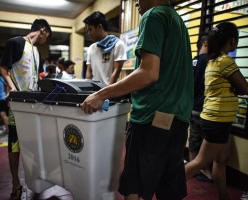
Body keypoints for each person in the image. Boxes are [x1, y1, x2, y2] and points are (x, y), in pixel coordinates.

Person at [81, 0, 193, 199]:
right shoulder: (177, 21)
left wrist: (101, 94)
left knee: (134, 188)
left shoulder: (153, 16)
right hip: (178, 119)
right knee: (168, 189)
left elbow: (149, 72)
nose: (136, 4)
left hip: (152, 119)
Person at [185, 22, 248, 200]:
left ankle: (223, 197)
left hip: (217, 119)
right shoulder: (225, 61)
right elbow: (245, 88)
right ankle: (167, 189)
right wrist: (238, 89)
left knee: (220, 161)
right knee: (199, 162)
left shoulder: (213, 61)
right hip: (217, 121)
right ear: (231, 40)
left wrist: (236, 89)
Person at [0, 19, 52, 200]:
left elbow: (35, 76)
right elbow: (4, 68)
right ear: (43, 30)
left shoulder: (36, 51)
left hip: (34, 104)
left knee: (34, 142)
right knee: (15, 144)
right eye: (47, 36)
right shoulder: (16, 43)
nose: (46, 40)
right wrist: (12, 88)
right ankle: (15, 183)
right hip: (18, 105)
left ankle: (35, 178)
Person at [188, 33, 213, 182]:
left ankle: (192, 170)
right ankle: (206, 171)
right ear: (206, 43)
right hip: (204, 109)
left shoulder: (192, 62)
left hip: (191, 108)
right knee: (206, 144)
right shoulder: (209, 63)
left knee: (193, 140)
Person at [83, 11, 127, 85]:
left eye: (90, 29)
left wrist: (106, 92)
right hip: (94, 90)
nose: (89, 33)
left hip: (111, 90)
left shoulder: (118, 45)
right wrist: (86, 88)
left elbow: (116, 71)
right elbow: (89, 71)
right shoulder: (91, 48)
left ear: (99, 27)